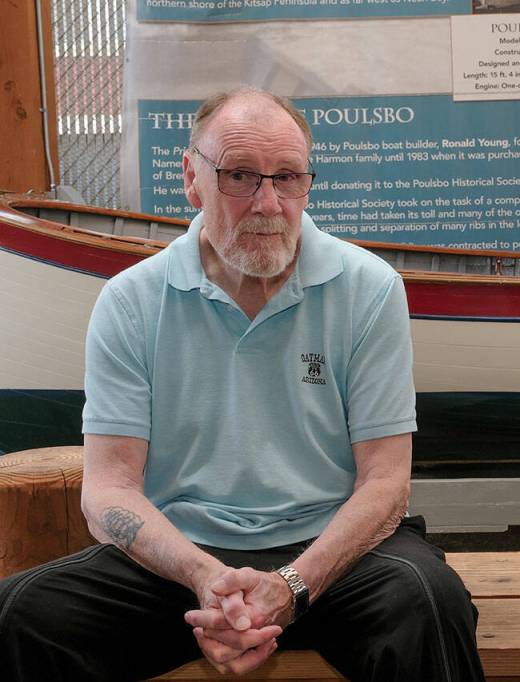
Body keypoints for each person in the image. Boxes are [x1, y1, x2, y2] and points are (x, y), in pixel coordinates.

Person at [0, 87, 484, 681]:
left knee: (429, 604)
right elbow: (109, 491)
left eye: (288, 178)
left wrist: (292, 584)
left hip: (334, 554)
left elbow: (386, 480)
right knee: (23, 614)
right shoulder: (131, 301)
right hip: (179, 561)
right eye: (240, 176)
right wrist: (205, 577)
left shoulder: (368, 288)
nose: (268, 203)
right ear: (191, 178)